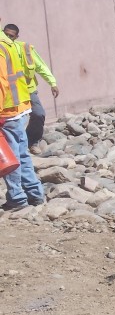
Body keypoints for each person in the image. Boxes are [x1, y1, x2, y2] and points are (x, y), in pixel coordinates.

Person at [0, 23, 44, 209]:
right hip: (19, 107)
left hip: (6, 111)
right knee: (21, 153)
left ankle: (17, 198)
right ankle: (35, 194)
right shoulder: (8, 44)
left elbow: (1, 82)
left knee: (9, 156)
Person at [2, 24, 58, 151]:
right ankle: (12, 148)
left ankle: (32, 141)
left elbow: (40, 66)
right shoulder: (2, 49)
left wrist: (52, 83)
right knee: (14, 123)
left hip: (28, 90)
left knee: (39, 114)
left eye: (11, 35)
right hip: (9, 94)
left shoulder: (25, 49)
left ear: (17, 37)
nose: (8, 37)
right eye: (6, 34)